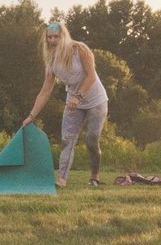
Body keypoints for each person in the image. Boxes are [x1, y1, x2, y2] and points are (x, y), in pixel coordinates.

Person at [21, 19, 107, 187]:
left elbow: (91, 76)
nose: (52, 40)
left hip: (96, 100)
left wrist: (78, 97)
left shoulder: (79, 49)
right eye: (49, 37)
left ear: (63, 37)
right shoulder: (51, 60)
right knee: (67, 139)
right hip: (73, 102)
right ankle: (61, 180)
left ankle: (94, 176)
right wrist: (32, 116)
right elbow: (45, 90)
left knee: (91, 140)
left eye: (56, 37)